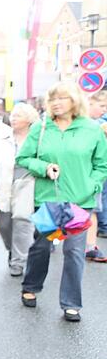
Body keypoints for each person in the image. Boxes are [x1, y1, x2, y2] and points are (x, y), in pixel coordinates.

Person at [16, 82, 107, 322]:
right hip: (48, 200)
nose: (56, 103)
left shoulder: (92, 129)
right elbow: (24, 157)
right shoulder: (41, 127)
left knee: (74, 251)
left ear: (75, 100)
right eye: (52, 99)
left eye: (62, 98)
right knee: (43, 246)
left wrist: (92, 185)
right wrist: (43, 167)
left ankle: (71, 303)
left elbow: (102, 165)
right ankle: (31, 286)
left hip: (80, 202)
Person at [0, 102, 38, 276]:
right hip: (3, 187)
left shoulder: (36, 140)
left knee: (22, 224)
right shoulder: (2, 139)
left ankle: (19, 261)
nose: (13, 118)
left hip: (27, 186)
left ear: (29, 119)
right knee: (3, 224)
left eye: (18, 115)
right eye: (13, 115)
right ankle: (13, 249)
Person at [83, 92, 107, 261]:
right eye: (102, 106)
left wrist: (97, 177)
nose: (105, 110)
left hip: (93, 175)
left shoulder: (100, 126)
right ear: (90, 104)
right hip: (77, 173)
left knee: (92, 209)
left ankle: (90, 246)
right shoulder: (82, 125)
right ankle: (51, 238)